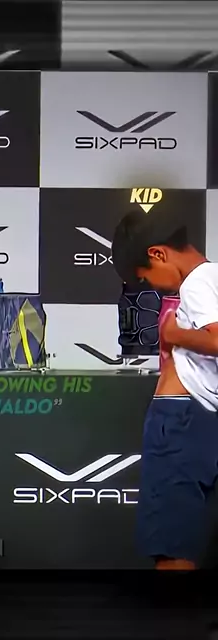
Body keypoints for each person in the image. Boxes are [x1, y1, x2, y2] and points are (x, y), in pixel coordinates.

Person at [112, 208, 218, 571]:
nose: (153, 287)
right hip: (202, 415)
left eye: (145, 276)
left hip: (180, 419)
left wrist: (173, 334)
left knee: (173, 548)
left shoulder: (197, 282)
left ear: (158, 253)